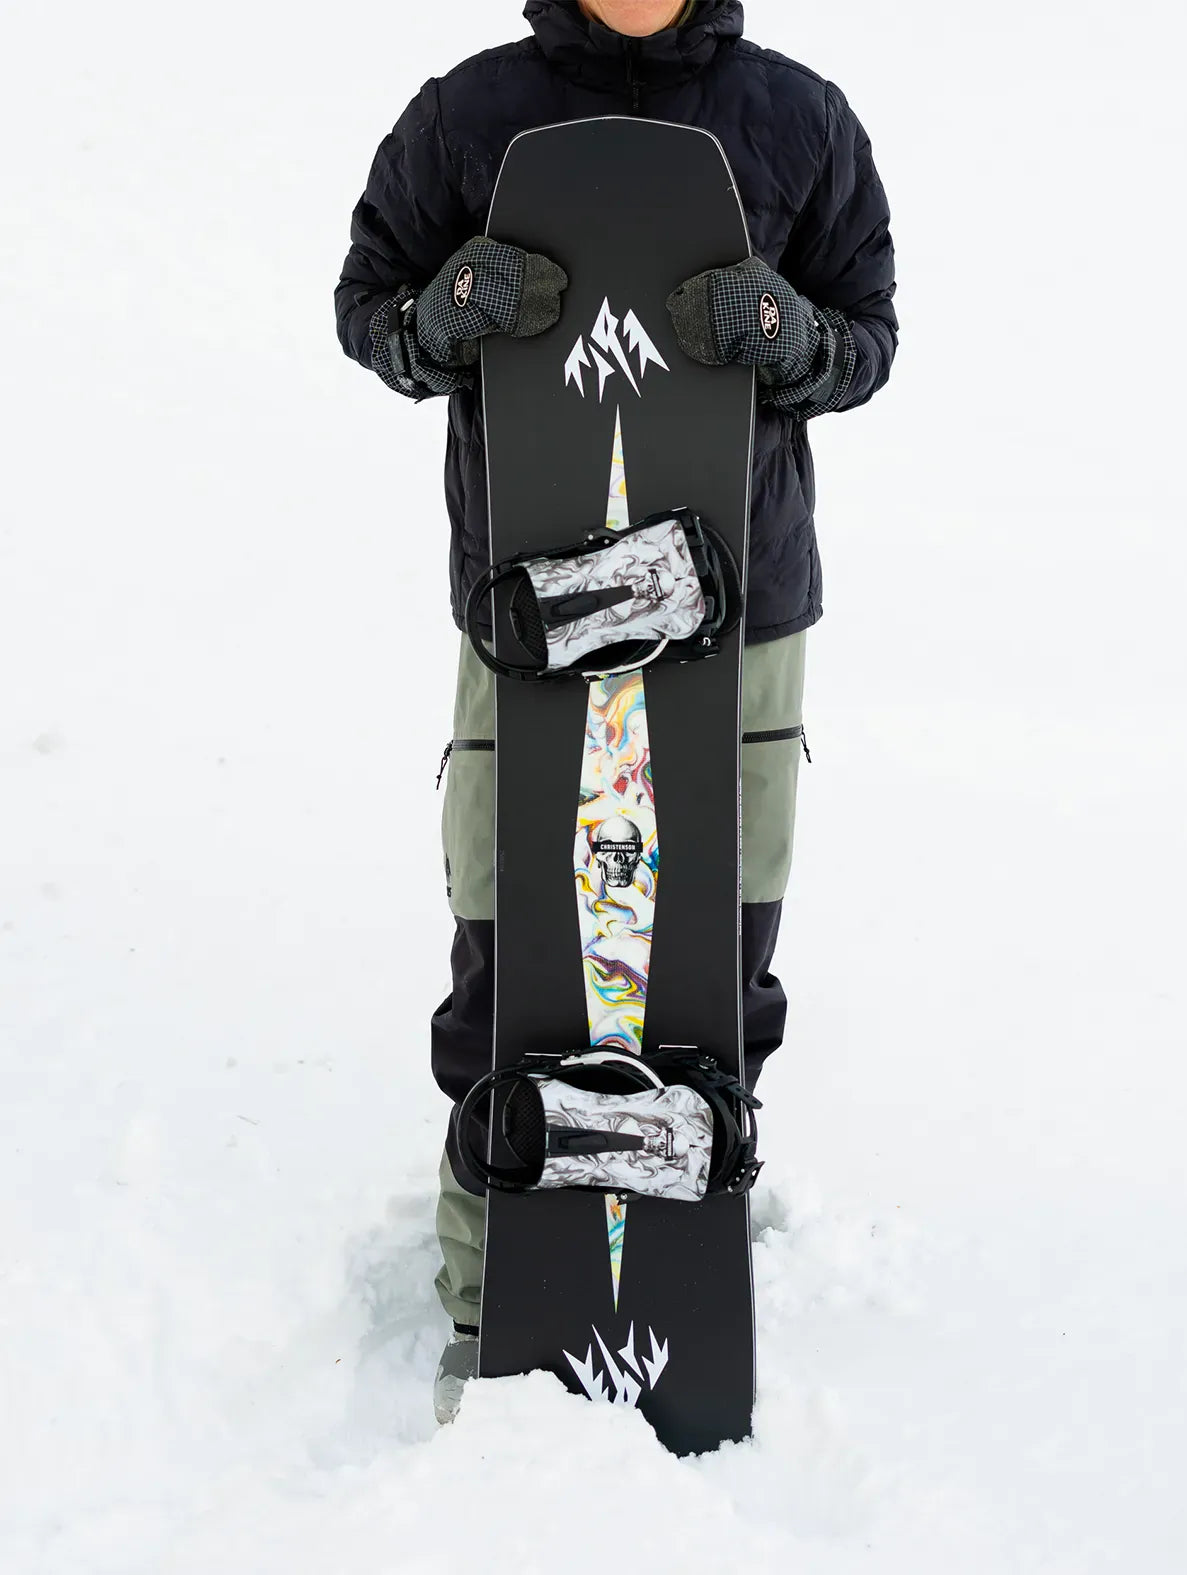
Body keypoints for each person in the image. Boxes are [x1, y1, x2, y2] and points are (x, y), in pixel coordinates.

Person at [335, 0, 898, 1425]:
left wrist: (792, 337)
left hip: (744, 606)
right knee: (517, 932)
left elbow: (867, 336)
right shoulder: (471, 114)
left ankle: (689, 1247)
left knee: (714, 939)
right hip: (527, 615)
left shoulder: (798, 118)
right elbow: (369, 310)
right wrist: (439, 319)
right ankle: (495, 1279)